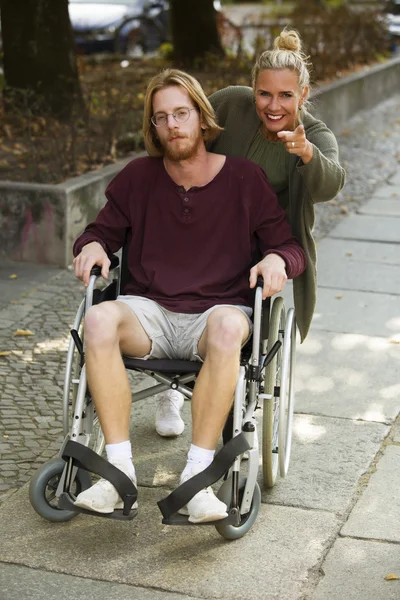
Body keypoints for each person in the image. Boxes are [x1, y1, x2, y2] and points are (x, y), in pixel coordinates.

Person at [71, 68, 306, 523]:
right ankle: (117, 472)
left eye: (181, 113)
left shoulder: (245, 179)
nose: (172, 125)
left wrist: (278, 261)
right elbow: (98, 233)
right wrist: (93, 245)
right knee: (97, 320)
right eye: (161, 117)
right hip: (150, 313)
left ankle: (197, 480)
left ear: (202, 117)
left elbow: (288, 246)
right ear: (153, 127)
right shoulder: (137, 178)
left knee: (225, 328)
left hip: (218, 313)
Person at [158, 28, 346, 433]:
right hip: (205, 228)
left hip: (262, 242)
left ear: (304, 94)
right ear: (253, 89)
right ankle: (172, 387)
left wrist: (307, 155)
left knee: (241, 300)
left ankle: (229, 377)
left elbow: (332, 183)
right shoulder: (231, 103)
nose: (273, 105)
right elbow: (187, 134)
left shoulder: (314, 135)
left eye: (285, 96)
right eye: (265, 94)